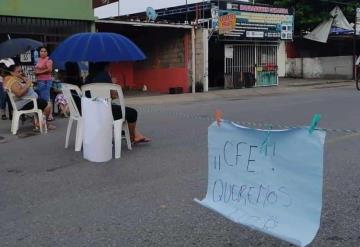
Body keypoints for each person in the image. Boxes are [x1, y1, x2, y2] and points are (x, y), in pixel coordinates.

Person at [85, 62, 150, 144]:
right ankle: (132, 137)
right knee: (132, 112)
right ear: (104, 64)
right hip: (104, 112)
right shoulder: (105, 76)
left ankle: (136, 134)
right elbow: (113, 96)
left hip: (91, 111)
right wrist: (113, 84)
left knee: (117, 108)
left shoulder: (87, 78)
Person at [2, 63, 55, 130]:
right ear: (12, 72)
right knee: (48, 105)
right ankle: (41, 123)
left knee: (43, 102)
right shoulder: (13, 81)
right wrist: (27, 84)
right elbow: (19, 93)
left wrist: (24, 79)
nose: (21, 73)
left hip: (26, 101)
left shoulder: (16, 79)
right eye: (18, 72)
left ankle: (39, 122)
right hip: (23, 103)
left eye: (21, 71)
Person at [34, 46, 54, 121]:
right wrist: (35, 72)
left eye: (45, 51)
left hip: (46, 81)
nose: (43, 53)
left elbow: (49, 69)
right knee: (42, 98)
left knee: (46, 97)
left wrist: (39, 72)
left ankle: (49, 115)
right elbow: (37, 68)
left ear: (47, 52)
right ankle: (44, 113)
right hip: (39, 80)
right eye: (41, 51)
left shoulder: (48, 59)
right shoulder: (38, 59)